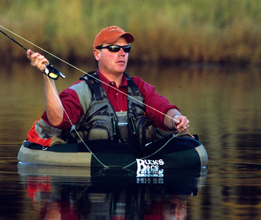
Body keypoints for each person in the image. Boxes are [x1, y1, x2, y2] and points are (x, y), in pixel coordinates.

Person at [25, 25, 189, 147]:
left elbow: (164, 110)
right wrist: (48, 76)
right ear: (97, 54)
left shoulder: (140, 87)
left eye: (126, 49)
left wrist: (176, 119)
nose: (122, 53)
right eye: (113, 48)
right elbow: (56, 120)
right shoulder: (81, 90)